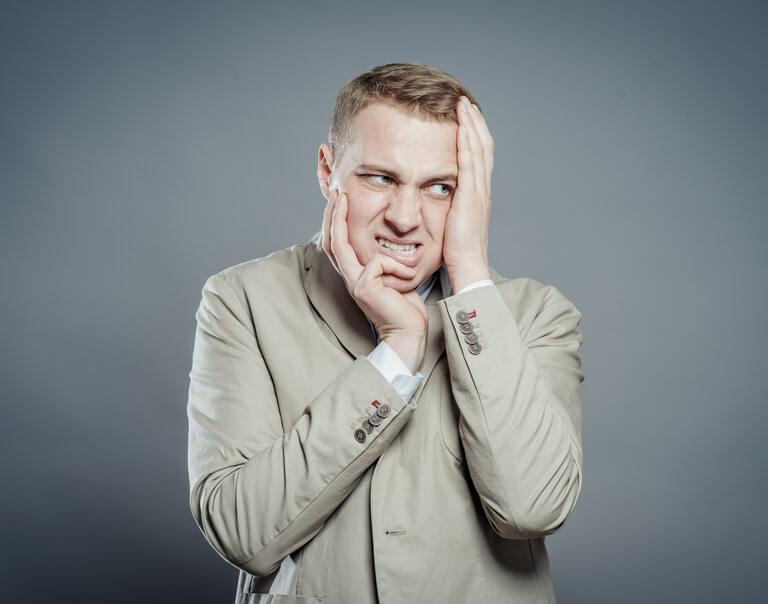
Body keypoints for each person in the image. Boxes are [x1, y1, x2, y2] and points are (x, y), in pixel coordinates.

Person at [187, 63, 584, 604]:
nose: (405, 217)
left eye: (440, 187)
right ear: (327, 170)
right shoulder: (242, 300)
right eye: (381, 178)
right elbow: (242, 533)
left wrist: (469, 270)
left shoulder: (538, 315)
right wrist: (395, 354)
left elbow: (532, 508)